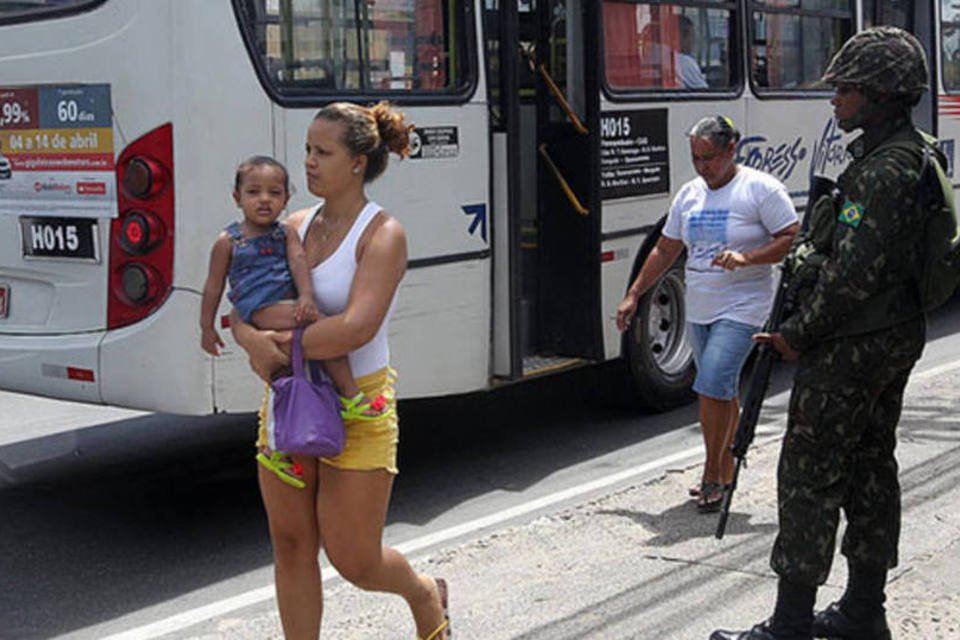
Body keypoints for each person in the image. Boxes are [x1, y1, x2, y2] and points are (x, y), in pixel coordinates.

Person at [710, 27, 936, 640]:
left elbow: (849, 278)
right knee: (869, 467)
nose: (836, 98)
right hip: (889, 336)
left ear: (883, 95)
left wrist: (795, 335)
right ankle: (864, 614)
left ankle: (790, 626)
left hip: (852, 346)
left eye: (848, 87)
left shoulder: (882, 173)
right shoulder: (913, 152)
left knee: (809, 475)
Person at [230, 102, 450, 640]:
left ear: (357, 162)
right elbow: (243, 302)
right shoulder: (292, 227)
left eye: (322, 152)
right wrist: (249, 339)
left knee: (355, 560)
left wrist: (274, 343)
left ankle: (423, 593)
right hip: (290, 397)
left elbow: (357, 328)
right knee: (291, 545)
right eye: (306, 149)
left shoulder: (384, 233)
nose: (307, 162)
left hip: (360, 404)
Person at [616, 115, 799, 512]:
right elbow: (666, 249)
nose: (703, 167)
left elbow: (790, 238)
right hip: (700, 305)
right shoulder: (690, 195)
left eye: (710, 158)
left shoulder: (760, 190)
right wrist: (633, 294)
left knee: (711, 382)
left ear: (732, 150)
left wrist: (747, 257)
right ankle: (727, 465)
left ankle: (712, 474)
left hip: (745, 304)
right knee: (721, 389)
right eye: (696, 158)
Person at [200, 155, 391, 490]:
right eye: (254, 192)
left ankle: (277, 450)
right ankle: (351, 397)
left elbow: (299, 263)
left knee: (285, 380)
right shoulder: (228, 241)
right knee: (328, 332)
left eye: (274, 193)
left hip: (287, 304)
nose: (264, 200)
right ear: (236, 197)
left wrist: (306, 297)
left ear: (286, 199)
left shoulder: (286, 233)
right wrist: (206, 327)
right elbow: (214, 285)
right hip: (261, 308)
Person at [677, 15, 708, 89]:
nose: (693, 42)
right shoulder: (684, 62)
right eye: (692, 36)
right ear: (680, 37)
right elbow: (704, 93)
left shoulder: (648, 57)